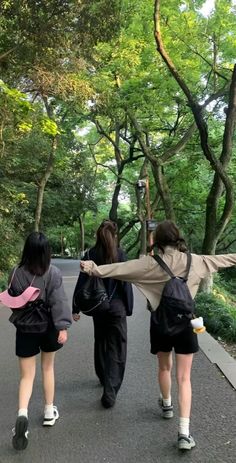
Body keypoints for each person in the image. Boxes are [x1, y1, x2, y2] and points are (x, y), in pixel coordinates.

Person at [80, 220, 236, 451]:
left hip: (160, 323)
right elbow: (228, 259)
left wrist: (94, 268)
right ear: (178, 238)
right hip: (186, 325)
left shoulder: (150, 264)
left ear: (158, 241)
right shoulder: (199, 261)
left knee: (164, 368)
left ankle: (167, 404)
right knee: (184, 378)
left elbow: (121, 269)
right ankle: (184, 432)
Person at [4, 232, 72, 451]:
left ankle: (22, 413)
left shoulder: (15, 272)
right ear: (46, 252)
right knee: (48, 368)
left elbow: (13, 299)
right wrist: (62, 327)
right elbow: (58, 301)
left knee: (26, 376)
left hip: (25, 328)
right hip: (48, 326)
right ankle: (49, 411)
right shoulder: (53, 273)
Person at [72, 219, 133, 409]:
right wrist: (128, 307)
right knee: (117, 347)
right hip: (116, 308)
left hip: (98, 307)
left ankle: (102, 375)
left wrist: (75, 307)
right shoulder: (120, 254)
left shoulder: (90, 253)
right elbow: (126, 283)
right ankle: (110, 390)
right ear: (115, 235)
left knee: (101, 341)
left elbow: (82, 283)